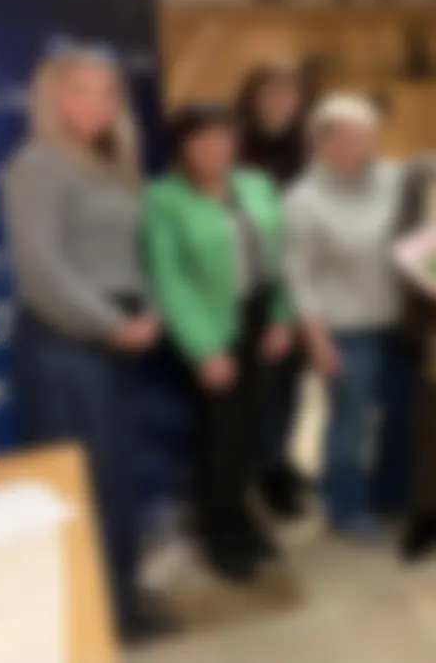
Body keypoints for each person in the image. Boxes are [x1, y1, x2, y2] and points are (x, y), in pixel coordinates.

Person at [2, 48, 167, 642]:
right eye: (81, 91)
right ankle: (84, 612)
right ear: (54, 98)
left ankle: (117, 599)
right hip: (69, 346)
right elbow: (46, 272)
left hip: (117, 340)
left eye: (106, 92)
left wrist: (147, 311)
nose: (96, 104)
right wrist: (114, 324)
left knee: (117, 479)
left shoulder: (114, 166)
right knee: (77, 486)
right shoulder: (39, 165)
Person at [143, 104, 292, 582]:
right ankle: (218, 530)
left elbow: (280, 255)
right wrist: (205, 349)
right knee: (221, 438)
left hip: (260, 318)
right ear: (183, 146)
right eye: (201, 140)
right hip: (209, 328)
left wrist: (282, 317)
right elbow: (169, 282)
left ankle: (243, 517)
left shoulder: (255, 185)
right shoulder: (163, 199)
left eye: (223, 138)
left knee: (254, 429)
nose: (214, 149)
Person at [283, 95, 403, 538]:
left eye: (368, 135)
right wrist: (316, 339)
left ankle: (391, 496)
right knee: (350, 425)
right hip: (344, 331)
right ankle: (346, 508)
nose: (362, 145)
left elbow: (421, 229)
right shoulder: (303, 200)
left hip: (398, 324)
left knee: (402, 417)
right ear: (321, 141)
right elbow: (298, 276)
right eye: (350, 136)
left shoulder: (391, 180)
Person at [235, 63, 311, 517]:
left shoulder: (305, 150)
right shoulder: (238, 148)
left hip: (300, 284)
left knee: (291, 384)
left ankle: (278, 460)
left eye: (290, 93)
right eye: (272, 92)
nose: (281, 101)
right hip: (252, 287)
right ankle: (259, 472)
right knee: (258, 388)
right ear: (254, 97)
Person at [397, 150, 436, 561]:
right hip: (433, 319)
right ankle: (426, 513)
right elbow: (403, 240)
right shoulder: (422, 172)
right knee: (430, 426)